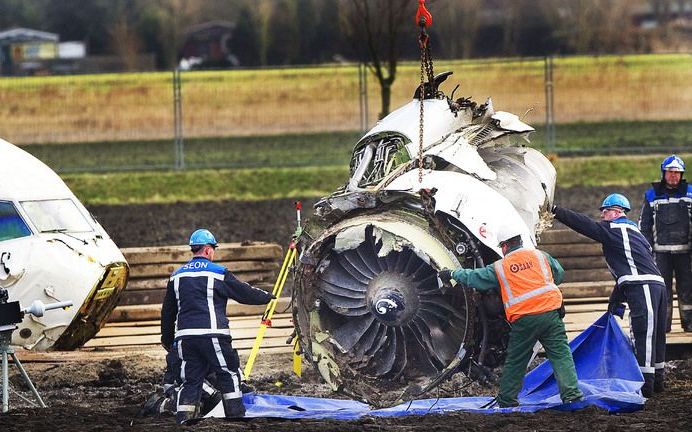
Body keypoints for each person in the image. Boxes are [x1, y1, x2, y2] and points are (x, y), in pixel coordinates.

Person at [438, 226, 583, 408]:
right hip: (551, 314)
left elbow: (475, 277)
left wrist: (451, 274)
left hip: (525, 320)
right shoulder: (540, 256)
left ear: (504, 246)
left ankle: (507, 400)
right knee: (561, 356)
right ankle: (572, 396)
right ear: (520, 241)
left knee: (516, 361)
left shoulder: (501, 267)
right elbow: (559, 275)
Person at [553, 193, 667, 397]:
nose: (602, 217)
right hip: (657, 286)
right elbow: (626, 270)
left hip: (642, 286)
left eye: (605, 212)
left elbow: (585, 225)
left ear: (617, 213)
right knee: (657, 335)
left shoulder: (614, 229)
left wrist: (556, 211)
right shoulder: (636, 233)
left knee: (643, 335)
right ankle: (658, 381)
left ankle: (646, 385)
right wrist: (615, 302)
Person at [160, 228, 274, 424]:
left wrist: (168, 340)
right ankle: (236, 417)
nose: (213, 252)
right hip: (213, 336)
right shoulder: (218, 273)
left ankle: (184, 419)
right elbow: (243, 292)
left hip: (185, 339)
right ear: (206, 249)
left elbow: (167, 312)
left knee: (190, 380)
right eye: (213, 248)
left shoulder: (176, 276)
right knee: (227, 374)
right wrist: (267, 297)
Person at [639, 155, 692, 332]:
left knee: (688, 289)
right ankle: (663, 326)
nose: (674, 176)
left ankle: (689, 323)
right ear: (663, 173)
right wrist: (646, 249)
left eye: (677, 173)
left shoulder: (690, 193)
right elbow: (645, 225)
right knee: (662, 290)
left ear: (682, 174)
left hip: (686, 253)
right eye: (670, 172)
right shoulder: (651, 195)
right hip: (660, 254)